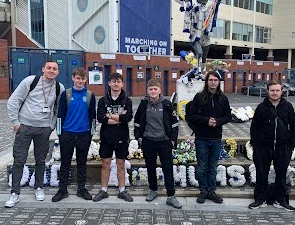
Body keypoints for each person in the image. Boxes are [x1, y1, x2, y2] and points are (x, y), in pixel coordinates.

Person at [6, 60, 64, 208]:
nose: (51, 70)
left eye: (54, 69)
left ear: (58, 72)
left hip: (43, 129)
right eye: (49, 68)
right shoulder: (30, 81)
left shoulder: (59, 87)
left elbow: (59, 109)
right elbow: (14, 100)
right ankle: (15, 193)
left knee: (40, 160)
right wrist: (15, 122)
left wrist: (51, 126)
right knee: (19, 160)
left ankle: (38, 188)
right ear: (43, 69)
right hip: (24, 127)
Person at [249, 80, 295, 212]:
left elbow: (293, 125)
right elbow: (254, 127)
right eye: (272, 90)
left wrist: (292, 144)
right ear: (268, 92)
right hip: (263, 147)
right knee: (261, 173)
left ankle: (280, 200)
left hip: (282, 147)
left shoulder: (288, 106)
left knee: (281, 174)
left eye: (277, 90)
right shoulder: (261, 107)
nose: (275, 93)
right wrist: (255, 144)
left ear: (281, 91)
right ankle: (260, 199)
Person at [134, 79, 182, 209]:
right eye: (150, 89)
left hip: (164, 141)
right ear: (147, 91)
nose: (153, 91)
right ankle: (153, 190)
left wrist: (172, 140)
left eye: (155, 89)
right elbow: (137, 121)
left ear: (160, 90)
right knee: (150, 167)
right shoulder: (144, 104)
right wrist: (139, 137)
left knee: (167, 168)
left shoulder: (166, 104)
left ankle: (171, 196)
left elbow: (174, 123)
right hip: (148, 141)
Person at [52, 68, 96, 202]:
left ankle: (81, 188)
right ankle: (63, 189)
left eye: (83, 79)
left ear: (86, 80)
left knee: (82, 163)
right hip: (68, 134)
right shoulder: (66, 94)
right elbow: (60, 116)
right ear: (73, 78)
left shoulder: (89, 95)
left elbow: (92, 117)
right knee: (65, 163)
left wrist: (90, 134)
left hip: (83, 134)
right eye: (78, 78)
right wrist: (60, 134)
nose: (80, 81)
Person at [190, 70, 232, 204]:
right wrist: (206, 120)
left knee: (213, 167)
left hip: (216, 138)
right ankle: (203, 191)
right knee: (202, 167)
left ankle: (212, 191)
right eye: (211, 80)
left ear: (219, 82)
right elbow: (192, 117)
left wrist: (218, 122)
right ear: (206, 81)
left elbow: (228, 117)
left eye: (215, 80)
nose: (213, 83)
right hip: (202, 138)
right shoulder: (199, 97)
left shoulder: (223, 98)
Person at [93, 72, 133, 202]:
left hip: (122, 136)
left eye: (118, 82)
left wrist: (110, 116)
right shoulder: (103, 100)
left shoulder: (127, 100)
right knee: (105, 164)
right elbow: (100, 118)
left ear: (122, 84)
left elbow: (128, 118)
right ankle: (103, 190)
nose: (116, 84)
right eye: (113, 81)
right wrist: (119, 118)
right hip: (106, 137)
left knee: (121, 164)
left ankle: (122, 190)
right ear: (109, 83)